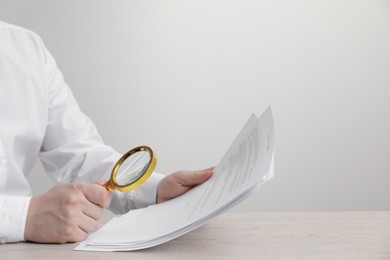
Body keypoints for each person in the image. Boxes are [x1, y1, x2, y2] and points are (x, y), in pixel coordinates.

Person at [0, 21, 212, 244]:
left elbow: (78, 153)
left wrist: (155, 192)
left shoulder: (26, 48)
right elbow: (27, 217)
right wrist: (24, 218)